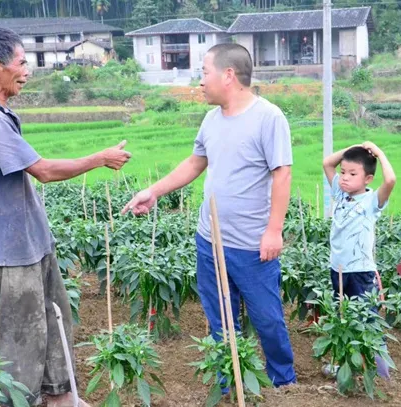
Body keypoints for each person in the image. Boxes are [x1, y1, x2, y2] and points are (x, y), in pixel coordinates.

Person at [0, 27, 131, 407]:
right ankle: (15, 405)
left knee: (54, 313)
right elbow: (43, 171)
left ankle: (57, 391)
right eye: (21, 63)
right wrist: (99, 159)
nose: (27, 70)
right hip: (10, 243)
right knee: (23, 325)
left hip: (28, 236)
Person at [122, 43, 297, 388]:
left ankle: (283, 379)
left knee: (267, 318)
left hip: (251, 244)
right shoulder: (211, 119)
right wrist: (154, 191)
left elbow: (283, 174)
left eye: (204, 72)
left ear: (228, 75)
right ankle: (228, 380)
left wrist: (274, 230)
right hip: (209, 239)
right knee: (220, 319)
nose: (200, 82)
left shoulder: (268, 117)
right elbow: (195, 161)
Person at [322, 143, 396, 380]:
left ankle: (381, 374)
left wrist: (379, 152)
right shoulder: (339, 193)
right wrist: (353, 148)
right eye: (343, 172)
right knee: (342, 321)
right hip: (339, 269)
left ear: (368, 178)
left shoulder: (372, 201)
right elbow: (327, 163)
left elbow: (391, 180)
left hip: (362, 272)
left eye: (353, 174)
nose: (344, 178)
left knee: (368, 321)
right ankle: (346, 368)